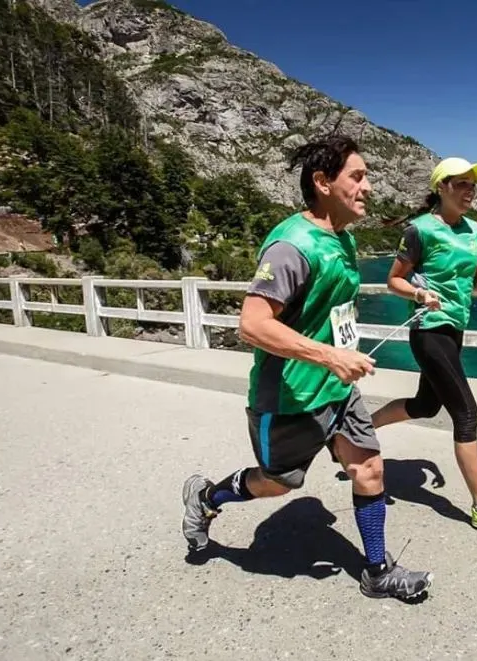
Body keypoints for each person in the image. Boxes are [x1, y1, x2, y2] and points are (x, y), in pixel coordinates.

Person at [180, 135, 432, 601]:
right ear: (322, 182)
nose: (369, 187)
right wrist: (330, 355)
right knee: (278, 484)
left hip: (338, 389)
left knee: (370, 469)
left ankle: (377, 570)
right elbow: (252, 325)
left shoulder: (343, 237)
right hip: (290, 396)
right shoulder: (291, 247)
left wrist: (417, 294)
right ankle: (207, 498)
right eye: (357, 176)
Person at [371, 157, 477, 535]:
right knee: (467, 414)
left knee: (425, 405)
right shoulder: (419, 231)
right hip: (428, 329)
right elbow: (394, 281)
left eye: (473, 185)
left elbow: (472, 282)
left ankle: (358, 431)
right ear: (442, 187)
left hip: (455, 328)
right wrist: (420, 294)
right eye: (461, 184)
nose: (470, 190)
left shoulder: (476, 231)